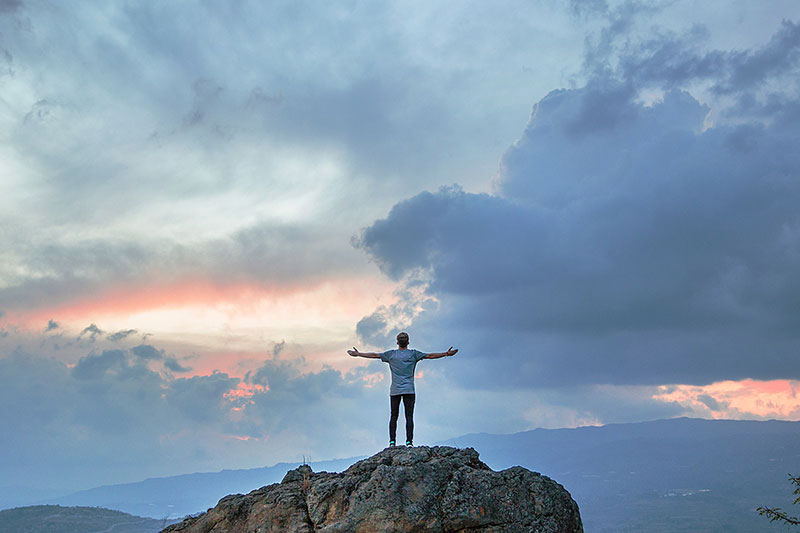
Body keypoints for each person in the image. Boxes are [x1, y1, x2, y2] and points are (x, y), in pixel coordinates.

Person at [348, 332, 457, 447]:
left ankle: (392, 442)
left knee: (394, 416)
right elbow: (430, 356)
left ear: (397, 342)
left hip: (395, 390)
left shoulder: (391, 355)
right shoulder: (414, 354)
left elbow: (375, 355)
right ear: (408, 342)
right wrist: (446, 354)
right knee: (409, 416)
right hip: (409, 390)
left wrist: (358, 354)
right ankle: (409, 442)